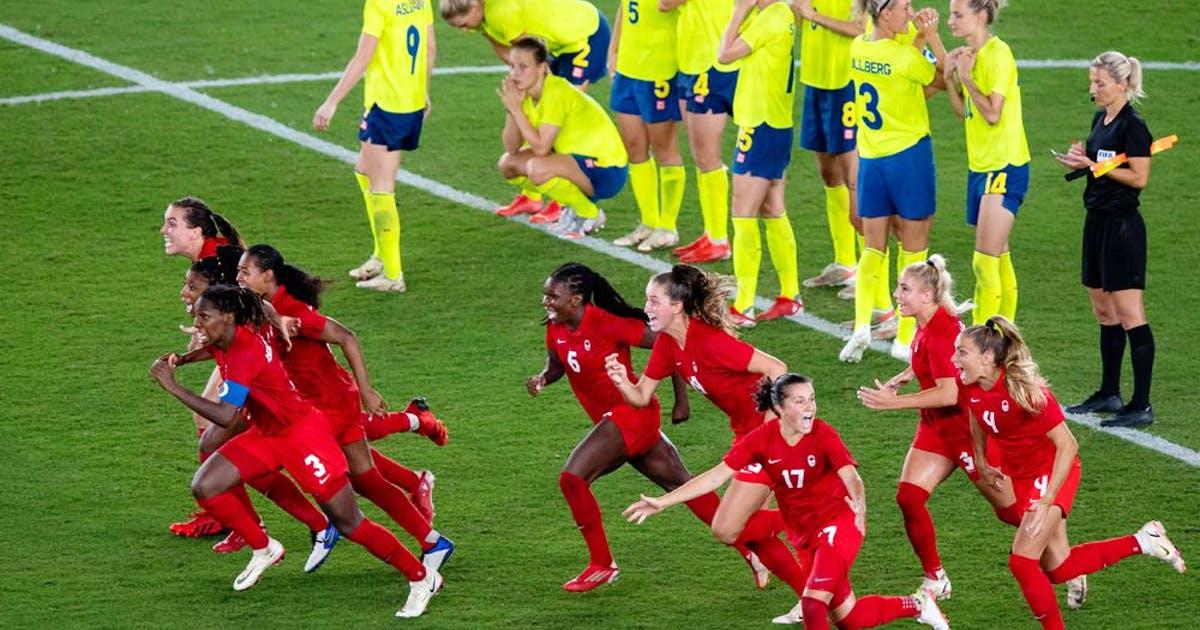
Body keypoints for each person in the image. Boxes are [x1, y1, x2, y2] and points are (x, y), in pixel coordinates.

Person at [149, 286, 444, 618]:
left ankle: (421, 578)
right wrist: (184, 358)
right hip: (269, 434)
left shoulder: (245, 351)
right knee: (206, 485)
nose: (198, 324)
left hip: (304, 439)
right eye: (196, 316)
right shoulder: (231, 335)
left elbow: (226, 416)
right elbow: (234, 330)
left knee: (349, 523)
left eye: (204, 317)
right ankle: (264, 548)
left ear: (228, 318)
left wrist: (172, 385)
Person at [529, 262, 782, 591]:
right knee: (698, 497)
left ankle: (602, 564)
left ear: (576, 300)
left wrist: (683, 401)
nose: (546, 301)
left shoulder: (614, 325)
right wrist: (550, 378)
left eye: (553, 295)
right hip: (647, 420)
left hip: (639, 418)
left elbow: (675, 345)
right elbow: (567, 365)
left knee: (572, 477)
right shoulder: (558, 327)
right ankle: (756, 554)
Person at [624, 374, 950, 629]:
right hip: (804, 535)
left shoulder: (823, 434)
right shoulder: (762, 441)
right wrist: (663, 502)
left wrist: (860, 503)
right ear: (779, 408)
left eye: (811, 399)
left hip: (839, 524)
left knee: (811, 604)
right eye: (799, 402)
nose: (809, 407)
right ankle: (920, 604)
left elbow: (851, 476)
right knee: (848, 618)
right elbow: (716, 475)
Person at [954, 316, 1186, 629]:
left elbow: (1068, 445)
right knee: (1059, 570)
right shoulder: (970, 386)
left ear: (988, 358)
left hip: (1051, 474)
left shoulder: (1027, 392)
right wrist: (981, 460)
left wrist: (1049, 497)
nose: (954, 359)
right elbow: (976, 414)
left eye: (962, 353)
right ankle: (1144, 540)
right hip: (1024, 479)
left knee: (1021, 561)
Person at [237, 244, 454, 569]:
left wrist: (366, 390)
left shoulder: (293, 309)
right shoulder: (268, 307)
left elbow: (346, 337)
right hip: (320, 405)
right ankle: (432, 541)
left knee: (351, 479)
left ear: (267, 276)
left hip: (329, 406)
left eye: (245, 272)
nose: (239, 278)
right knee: (367, 480)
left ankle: (320, 529)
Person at [856, 255, 1009, 600]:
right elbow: (941, 366)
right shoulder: (932, 321)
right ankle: (935, 578)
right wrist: (909, 374)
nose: (897, 294)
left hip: (966, 431)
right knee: (909, 497)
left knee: (1013, 513)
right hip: (936, 430)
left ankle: (1065, 561)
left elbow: (950, 392)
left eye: (904, 288)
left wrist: (894, 402)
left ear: (927, 295)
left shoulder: (940, 331)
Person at [180, 250, 343, 559]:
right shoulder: (225, 313)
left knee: (359, 461)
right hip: (259, 398)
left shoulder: (234, 311)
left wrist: (173, 383)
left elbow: (228, 402)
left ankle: (296, 526)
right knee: (215, 448)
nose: (186, 295)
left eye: (192, 288)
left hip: (273, 401)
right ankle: (266, 526)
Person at [841, 0, 947, 362]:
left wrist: (914, 37)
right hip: (908, 157)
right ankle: (905, 339)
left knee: (872, 248)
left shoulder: (858, 48)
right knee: (914, 250)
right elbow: (944, 77)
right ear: (884, 13)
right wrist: (930, 36)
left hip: (870, 159)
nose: (910, 10)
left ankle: (859, 329)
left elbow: (898, 76)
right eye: (904, 6)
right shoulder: (903, 59)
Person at [439, 0, 612, 222]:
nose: (464, 31)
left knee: (556, 119)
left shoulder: (501, 14)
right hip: (560, 44)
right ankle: (533, 196)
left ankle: (563, 201)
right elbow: (514, 57)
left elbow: (523, 59)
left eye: (463, 24)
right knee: (537, 112)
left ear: (475, 6)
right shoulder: (484, 16)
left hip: (586, 36)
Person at [1054, 51, 1156, 428]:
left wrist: (1096, 166)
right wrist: (1080, 160)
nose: (1093, 89)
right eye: (1092, 82)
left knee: (1131, 316)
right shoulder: (1101, 119)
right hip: (1095, 222)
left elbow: (1139, 178)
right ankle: (1109, 393)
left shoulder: (1133, 126)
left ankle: (1141, 404)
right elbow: (1102, 165)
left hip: (1122, 228)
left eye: (1099, 83)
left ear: (1121, 84)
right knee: (1103, 311)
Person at [313, 0, 438, 293]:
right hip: (409, 103)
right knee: (364, 170)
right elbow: (430, 48)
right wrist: (424, 91)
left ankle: (394, 275)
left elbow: (363, 57)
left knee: (381, 187)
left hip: (387, 107)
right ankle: (381, 255)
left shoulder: (378, 4)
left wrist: (332, 102)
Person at [161, 197, 247, 539]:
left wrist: (205, 337)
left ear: (196, 231)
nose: (164, 230)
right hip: (249, 350)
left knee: (290, 441)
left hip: (263, 355)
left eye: (172, 223)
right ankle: (224, 510)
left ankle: (228, 514)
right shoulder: (214, 257)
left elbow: (246, 317)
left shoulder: (218, 263)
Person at [719, 0, 804, 326]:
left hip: (761, 127)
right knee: (772, 209)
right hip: (773, 125)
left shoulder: (769, 19)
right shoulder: (777, 15)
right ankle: (790, 295)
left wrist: (739, 9)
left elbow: (724, 54)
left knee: (743, 214)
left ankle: (742, 307)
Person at [943, 0, 1028, 327]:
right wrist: (952, 79)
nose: (950, 22)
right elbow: (964, 110)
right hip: (981, 167)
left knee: (984, 260)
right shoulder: (970, 57)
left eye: (957, 15)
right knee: (998, 254)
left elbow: (992, 113)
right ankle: (1005, 336)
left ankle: (982, 337)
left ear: (980, 16)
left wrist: (966, 78)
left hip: (1004, 166)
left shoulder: (998, 54)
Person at [496, 38, 628, 238]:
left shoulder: (556, 92)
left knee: (537, 167)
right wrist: (512, 110)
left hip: (607, 170)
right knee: (508, 163)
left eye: (523, 67)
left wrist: (518, 111)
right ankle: (573, 208)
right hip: (577, 164)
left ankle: (589, 214)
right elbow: (512, 148)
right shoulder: (527, 95)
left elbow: (541, 149)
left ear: (542, 67)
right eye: (512, 66)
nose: (515, 74)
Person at [794, 0, 864, 292]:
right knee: (828, 174)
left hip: (845, 81)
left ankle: (866, 270)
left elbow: (861, 28)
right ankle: (845, 262)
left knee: (854, 177)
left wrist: (816, 17)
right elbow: (802, 20)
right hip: (815, 78)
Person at [661, 0, 737, 264]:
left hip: (709, 65)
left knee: (707, 156)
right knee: (701, 157)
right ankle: (712, 233)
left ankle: (718, 239)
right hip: (691, 62)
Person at [608, 0, 687, 252]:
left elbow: (667, 5)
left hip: (659, 69)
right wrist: (614, 48)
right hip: (628, 68)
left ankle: (668, 227)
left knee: (664, 149)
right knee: (634, 147)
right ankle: (649, 222)